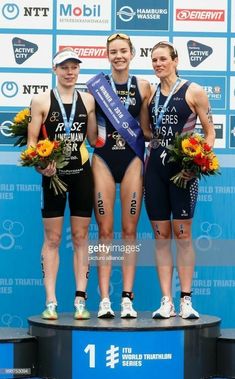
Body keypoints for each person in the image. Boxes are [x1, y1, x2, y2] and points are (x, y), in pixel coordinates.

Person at [144, 41, 215, 319]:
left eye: (163, 59)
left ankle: (186, 300)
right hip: (155, 170)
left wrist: (197, 163)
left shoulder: (193, 90)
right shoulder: (150, 94)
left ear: (175, 60)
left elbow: (209, 134)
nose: (158, 64)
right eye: (154, 60)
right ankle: (166, 301)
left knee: (183, 236)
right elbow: (147, 132)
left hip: (182, 172)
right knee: (161, 237)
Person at [27, 48, 97, 320]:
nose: (70, 72)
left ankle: (80, 299)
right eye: (64, 67)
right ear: (54, 70)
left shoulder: (89, 100)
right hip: (52, 176)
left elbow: (92, 139)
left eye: (74, 67)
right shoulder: (41, 100)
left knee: (81, 237)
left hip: (81, 173)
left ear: (78, 70)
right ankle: (51, 301)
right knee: (53, 238)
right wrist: (41, 164)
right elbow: (32, 143)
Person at [90, 33, 151, 318]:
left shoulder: (144, 85)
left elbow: (147, 130)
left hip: (132, 161)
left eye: (123, 51)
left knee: (129, 231)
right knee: (104, 231)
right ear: (107, 54)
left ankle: (127, 298)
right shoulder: (95, 88)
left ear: (132, 53)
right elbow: (91, 134)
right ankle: (104, 300)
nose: (118, 56)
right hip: (103, 158)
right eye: (113, 51)